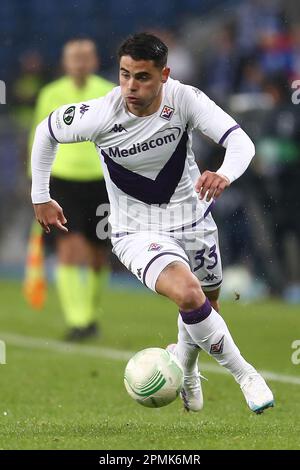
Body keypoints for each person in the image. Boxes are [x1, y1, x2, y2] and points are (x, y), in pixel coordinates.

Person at [30, 33, 274, 413]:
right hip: (136, 232)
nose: (130, 86)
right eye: (124, 74)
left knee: (206, 305)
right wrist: (40, 196)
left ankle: (187, 369)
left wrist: (224, 173)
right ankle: (246, 375)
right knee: (189, 294)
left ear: (164, 75)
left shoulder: (184, 99)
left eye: (142, 77)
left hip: (194, 222)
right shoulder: (100, 113)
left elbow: (241, 143)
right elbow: (46, 132)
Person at [29, 39, 115, 341]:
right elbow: (38, 139)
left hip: (101, 182)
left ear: (93, 61)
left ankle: (89, 315)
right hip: (62, 181)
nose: (79, 63)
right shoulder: (51, 94)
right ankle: (78, 321)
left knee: (97, 254)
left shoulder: (108, 92)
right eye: (73, 58)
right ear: (65, 63)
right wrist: (36, 188)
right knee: (69, 248)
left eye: (85, 57)